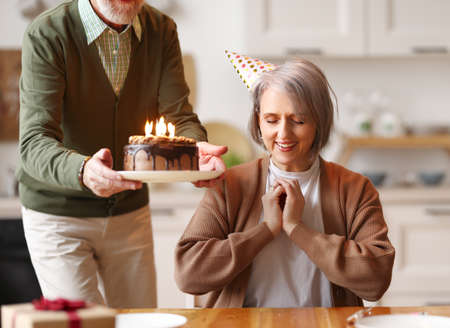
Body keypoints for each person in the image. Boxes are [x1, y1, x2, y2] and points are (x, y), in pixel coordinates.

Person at [17, 0, 226, 308]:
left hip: (129, 212)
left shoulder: (161, 30)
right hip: (59, 216)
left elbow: (179, 116)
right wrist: (84, 170)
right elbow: (34, 141)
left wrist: (194, 150)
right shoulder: (48, 33)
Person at [175, 58, 395, 308]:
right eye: (271, 120)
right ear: (258, 120)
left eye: (298, 121)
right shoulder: (231, 184)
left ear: (319, 122)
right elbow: (188, 274)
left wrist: (297, 229)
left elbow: (376, 280)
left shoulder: (354, 188)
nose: (283, 134)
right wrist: (265, 230)